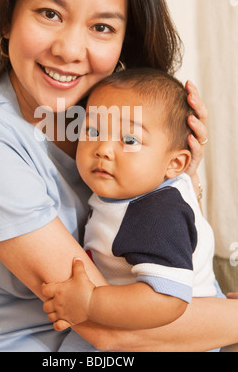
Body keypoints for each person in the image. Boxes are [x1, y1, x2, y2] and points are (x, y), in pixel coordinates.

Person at [0, 0, 238, 352]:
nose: (70, 49)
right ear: (7, 18)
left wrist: (177, 171)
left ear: (122, 43)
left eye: (101, 26)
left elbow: (170, 256)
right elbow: (103, 324)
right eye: (49, 13)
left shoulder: (115, 124)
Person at [42, 69, 219, 337]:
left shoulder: (157, 214)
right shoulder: (141, 190)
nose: (103, 148)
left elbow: (167, 299)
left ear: (175, 163)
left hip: (170, 337)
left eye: (129, 140)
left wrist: (91, 303)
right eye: (91, 130)